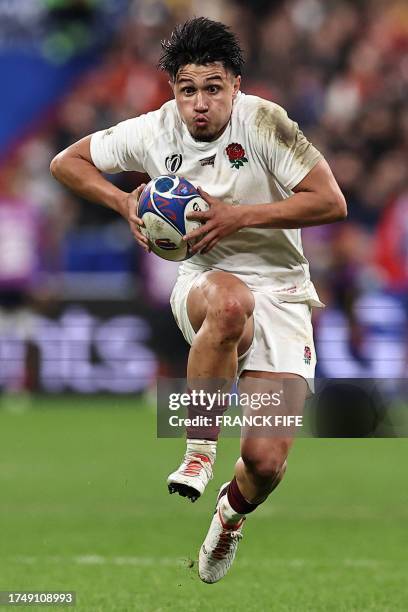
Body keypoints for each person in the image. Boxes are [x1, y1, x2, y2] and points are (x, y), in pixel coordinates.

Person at [50, 17, 347, 584]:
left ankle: (230, 517)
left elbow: (330, 201)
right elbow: (66, 162)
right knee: (229, 302)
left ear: (236, 84)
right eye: (188, 90)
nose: (200, 103)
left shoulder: (265, 124)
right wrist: (123, 205)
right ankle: (198, 451)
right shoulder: (155, 131)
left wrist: (239, 217)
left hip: (283, 289)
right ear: (173, 92)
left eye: (213, 88)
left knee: (265, 462)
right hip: (205, 281)